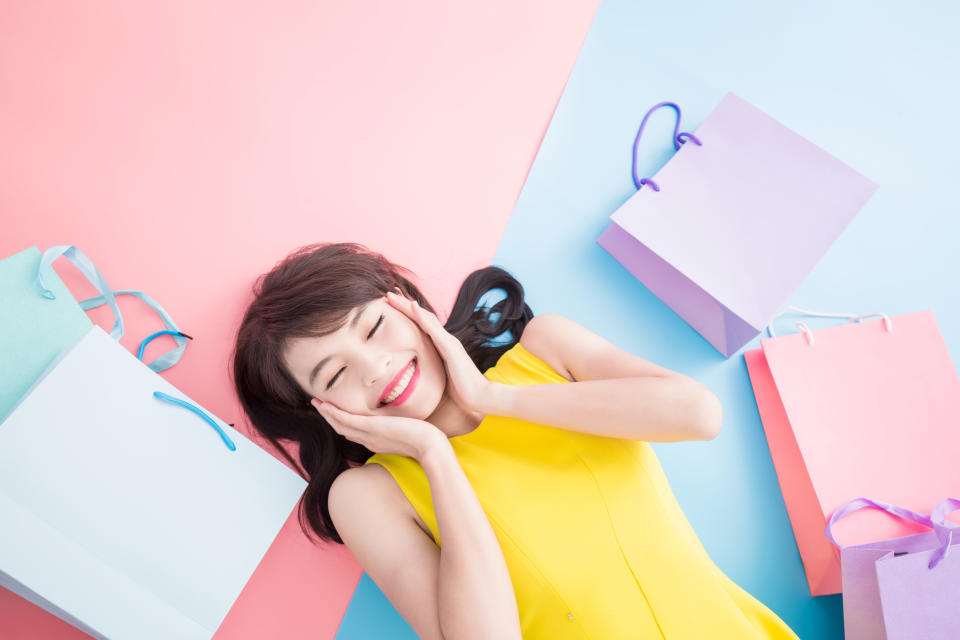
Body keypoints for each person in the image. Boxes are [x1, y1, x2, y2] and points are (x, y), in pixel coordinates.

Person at [231, 242, 800, 640]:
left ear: (405, 303)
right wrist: (434, 454)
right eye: (334, 377)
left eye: (376, 328)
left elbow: (698, 413)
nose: (375, 368)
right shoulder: (369, 496)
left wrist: (493, 400)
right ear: (322, 410)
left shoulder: (546, 352)